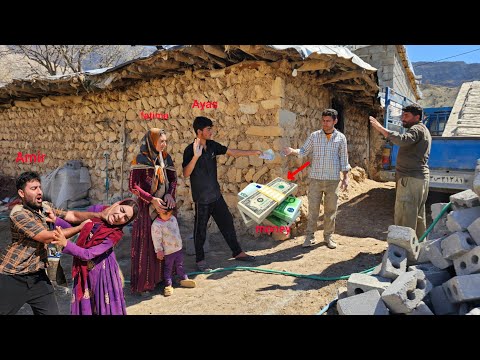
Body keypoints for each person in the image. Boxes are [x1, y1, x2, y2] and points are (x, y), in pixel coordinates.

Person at [0, 171, 107, 315]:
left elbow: (72, 215)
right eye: (33, 188)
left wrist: (99, 216)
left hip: (38, 277)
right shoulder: (18, 213)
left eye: (39, 187)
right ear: (21, 193)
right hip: (14, 276)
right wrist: (80, 228)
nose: (39, 192)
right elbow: (47, 237)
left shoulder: (45, 207)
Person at [182, 116, 260, 271]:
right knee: (200, 230)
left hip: (215, 196)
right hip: (202, 199)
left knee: (227, 222)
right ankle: (200, 260)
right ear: (199, 131)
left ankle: (237, 252)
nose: (212, 132)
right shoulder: (189, 150)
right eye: (208, 129)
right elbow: (185, 173)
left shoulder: (211, 146)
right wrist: (196, 157)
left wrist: (255, 152)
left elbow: (232, 152)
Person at [51, 199, 139, 315]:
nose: (120, 217)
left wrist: (66, 244)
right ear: (116, 204)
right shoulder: (97, 211)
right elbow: (80, 227)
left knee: (102, 308)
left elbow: (88, 254)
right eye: (122, 210)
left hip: (102, 274)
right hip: (84, 270)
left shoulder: (114, 234)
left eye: (125, 218)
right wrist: (56, 220)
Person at [283, 108, 351, 249]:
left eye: (328, 121)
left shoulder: (341, 138)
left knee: (330, 210)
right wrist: (292, 151)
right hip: (316, 179)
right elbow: (303, 151)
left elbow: (344, 159)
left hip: (333, 180)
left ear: (335, 121)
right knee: (313, 210)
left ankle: (328, 237)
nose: (325, 124)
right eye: (323, 121)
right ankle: (310, 236)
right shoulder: (315, 136)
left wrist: (346, 177)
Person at [369, 104, 432, 239]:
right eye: (403, 115)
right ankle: (419, 248)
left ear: (417, 117)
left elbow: (402, 140)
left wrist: (381, 129)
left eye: (407, 116)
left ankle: (403, 251)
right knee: (417, 217)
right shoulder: (422, 129)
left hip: (410, 179)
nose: (403, 118)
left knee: (405, 215)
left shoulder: (417, 129)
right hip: (418, 179)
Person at [128, 128, 177, 295]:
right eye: (161, 141)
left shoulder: (165, 158)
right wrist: (152, 200)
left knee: (166, 243)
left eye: (165, 141)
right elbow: (133, 186)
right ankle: (146, 283)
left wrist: (170, 193)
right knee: (149, 245)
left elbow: (173, 180)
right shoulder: (140, 160)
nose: (164, 144)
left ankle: (165, 278)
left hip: (164, 208)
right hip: (146, 210)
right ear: (152, 141)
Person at [151, 205, 196, 297]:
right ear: (159, 211)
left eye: (170, 213)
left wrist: (180, 243)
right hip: (168, 251)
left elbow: (177, 232)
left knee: (180, 265)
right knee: (168, 268)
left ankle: (184, 278)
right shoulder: (156, 225)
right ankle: (168, 285)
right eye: (165, 214)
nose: (168, 216)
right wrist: (159, 250)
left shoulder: (172, 219)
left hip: (178, 248)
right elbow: (156, 239)